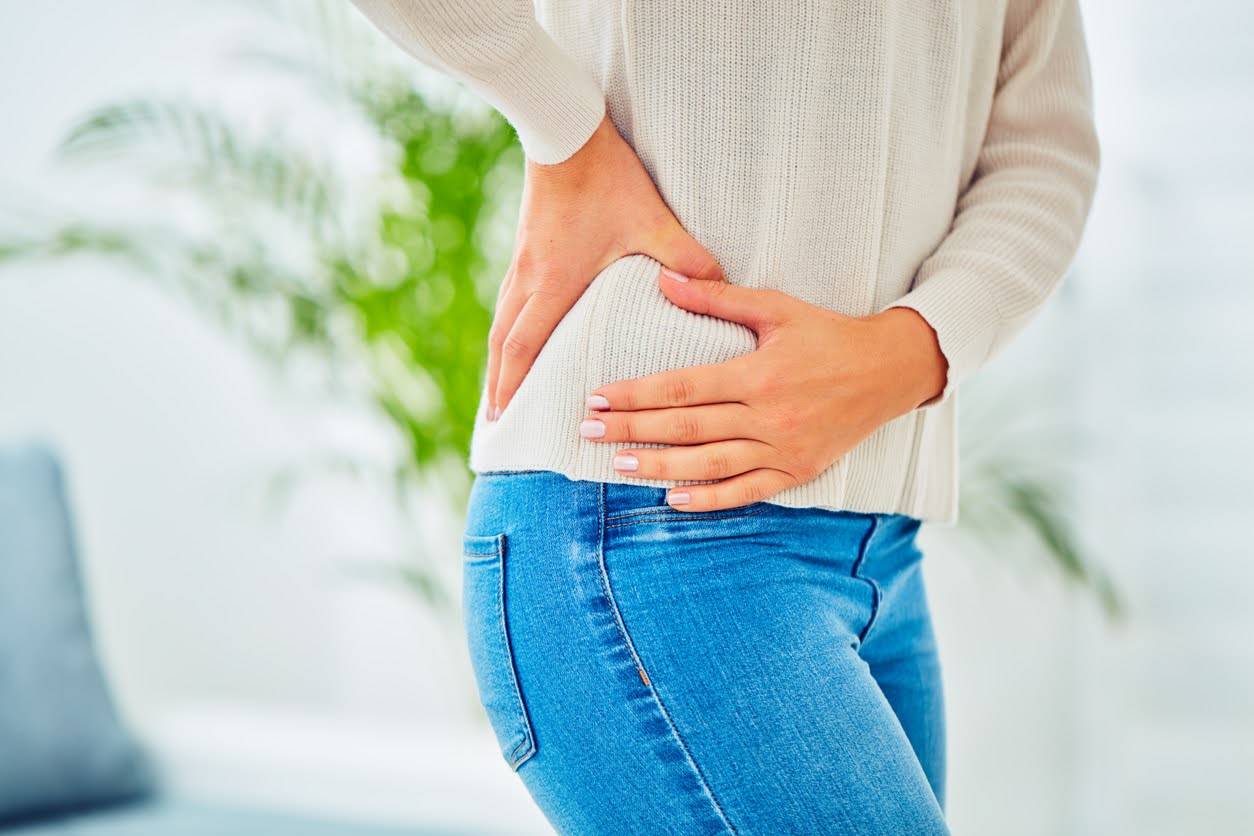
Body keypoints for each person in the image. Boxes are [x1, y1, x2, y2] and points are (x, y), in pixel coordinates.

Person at [351, 1, 1100, 833]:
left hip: (884, 551)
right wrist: (565, 128)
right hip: (648, 522)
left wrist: (913, 350)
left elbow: (1044, 145)